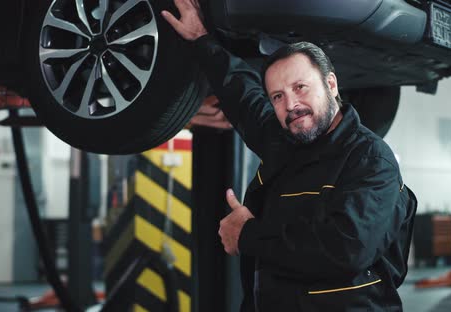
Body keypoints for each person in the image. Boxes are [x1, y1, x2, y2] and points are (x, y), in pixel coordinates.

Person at [162, 1, 418, 311]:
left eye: (301, 87)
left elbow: (347, 249)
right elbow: (242, 91)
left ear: (331, 84)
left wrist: (248, 236)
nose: (291, 104)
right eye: (278, 96)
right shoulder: (285, 139)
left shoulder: (370, 158)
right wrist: (201, 37)